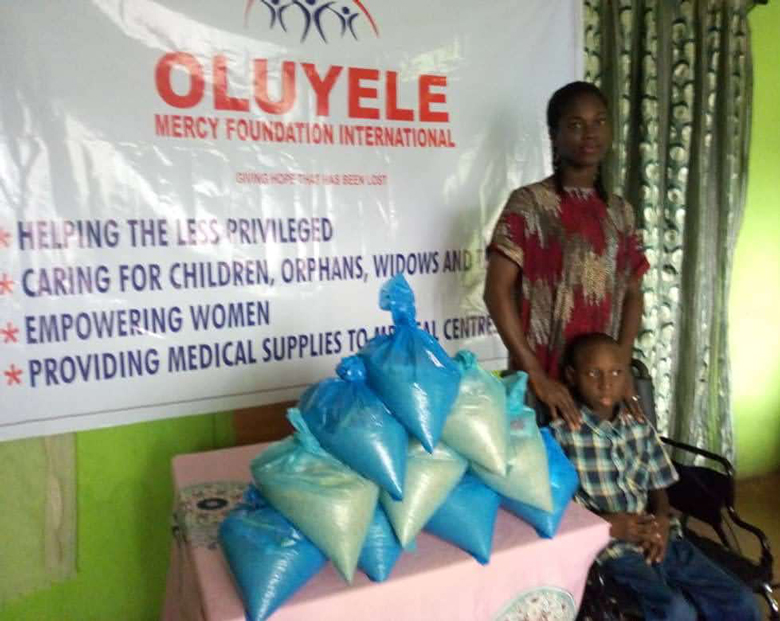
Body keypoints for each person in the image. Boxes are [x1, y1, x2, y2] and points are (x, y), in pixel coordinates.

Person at [552, 332, 760, 621]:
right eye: (593, 373)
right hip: (610, 548)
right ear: (572, 376)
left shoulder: (639, 427)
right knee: (676, 610)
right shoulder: (562, 436)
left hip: (659, 536)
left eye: (616, 372)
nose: (606, 383)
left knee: (739, 599)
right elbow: (559, 508)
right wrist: (608, 525)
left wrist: (662, 518)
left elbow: (658, 485)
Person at [484, 81, 648, 428]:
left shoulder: (620, 212)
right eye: (575, 124)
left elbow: (633, 293)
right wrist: (534, 373)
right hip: (544, 384)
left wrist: (620, 367)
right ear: (554, 135)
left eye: (599, 121)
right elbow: (496, 292)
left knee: (606, 460)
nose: (590, 133)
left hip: (601, 387)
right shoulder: (529, 205)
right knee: (548, 462)